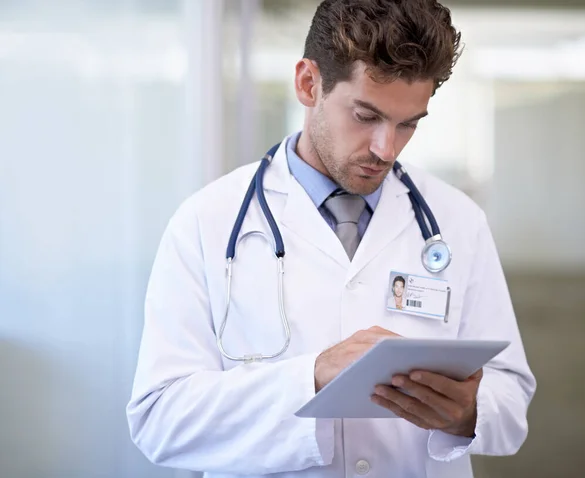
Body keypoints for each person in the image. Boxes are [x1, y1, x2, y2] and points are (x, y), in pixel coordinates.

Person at [126, 1, 536, 477]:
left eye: (408, 124)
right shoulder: (206, 222)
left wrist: (468, 413)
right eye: (366, 115)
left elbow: (511, 398)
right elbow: (159, 420)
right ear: (308, 84)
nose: (386, 148)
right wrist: (312, 376)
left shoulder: (457, 221)